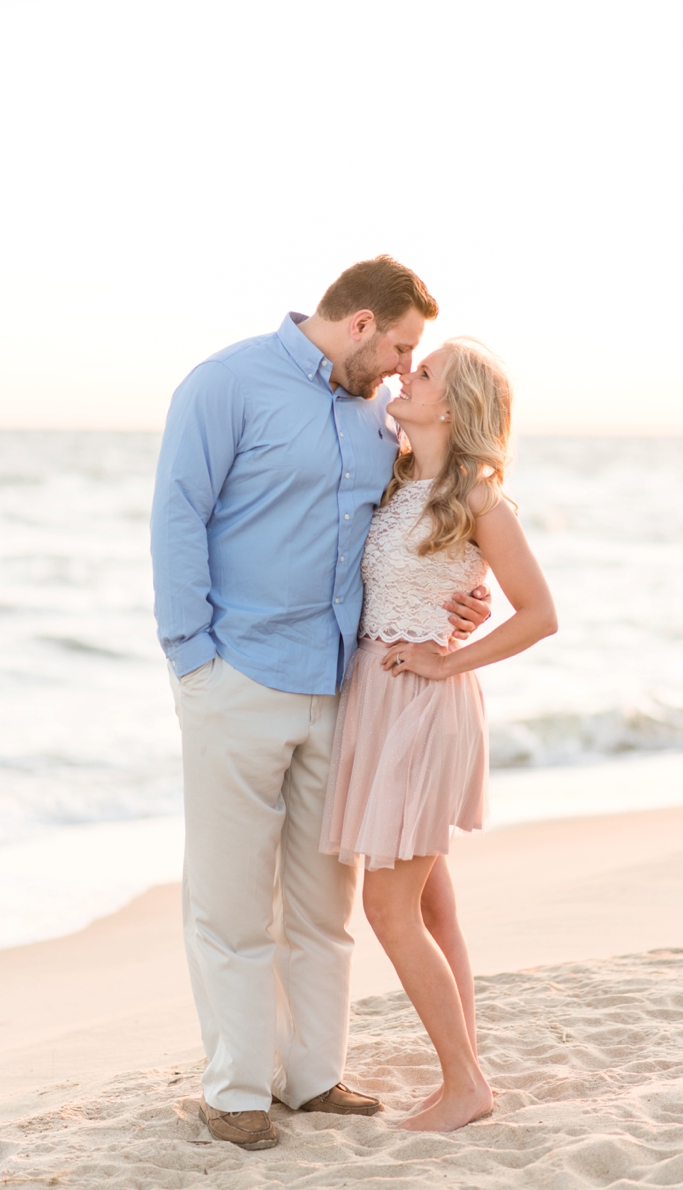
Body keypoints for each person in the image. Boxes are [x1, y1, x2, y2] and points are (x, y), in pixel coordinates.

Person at [151, 257, 492, 1152]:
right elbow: (179, 513)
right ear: (360, 325)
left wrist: (468, 593)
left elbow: (427, 529)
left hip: (345, 692)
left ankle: (313, 1078)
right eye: (400, 349)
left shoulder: (379, 417)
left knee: (320, 903)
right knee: (230, 902)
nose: (399, 370)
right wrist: (193, 658)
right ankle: (234, 1088)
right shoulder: (228, 384)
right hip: (239, 680)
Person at [321, 336, 557, 1132]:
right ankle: (469, 1068)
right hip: (374, 706)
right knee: (433, 910)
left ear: (451, 407)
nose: (403, 375)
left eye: (422, 374)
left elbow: (541, 614)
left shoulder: (483, 500)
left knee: (390, 909)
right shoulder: (395, 480)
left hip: (424, 709)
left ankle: (465, 1085)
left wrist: (445, 658)